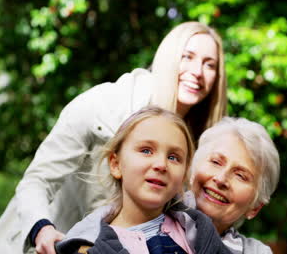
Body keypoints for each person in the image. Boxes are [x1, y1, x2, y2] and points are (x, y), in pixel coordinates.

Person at [0, 21, 227, 254]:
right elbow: (37, 181)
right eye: (188, 57)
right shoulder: (104, 104)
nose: (197, 72)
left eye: (210, 64)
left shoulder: (199, 142)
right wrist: (42, 229)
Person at [55, 107, 230, 254]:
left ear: (183, 174)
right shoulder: (90, 247)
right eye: (146, 151)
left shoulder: (198, 231)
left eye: (173, 157)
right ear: (116, 164)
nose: (161, 165)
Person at [187, 117, 280, 253]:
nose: (220, 179)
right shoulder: (151, 217)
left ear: (255, 207)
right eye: (216, 162)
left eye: (240, 176)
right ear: (192, 170)